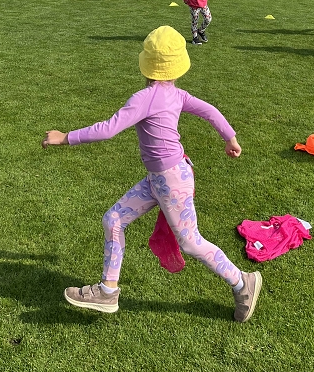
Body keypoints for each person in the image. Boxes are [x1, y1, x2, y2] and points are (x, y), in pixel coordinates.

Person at [42, 26, 262, 322]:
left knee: (191, 241)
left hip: (171, 181)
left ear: (147, 63)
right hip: (163, 179)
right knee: (114, 219)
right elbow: (210, 110)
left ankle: (242, 282)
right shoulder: (177, 94)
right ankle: (107, 292)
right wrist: (230, 137)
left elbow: (108, 129)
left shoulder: (145, 97)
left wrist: (65, 136)